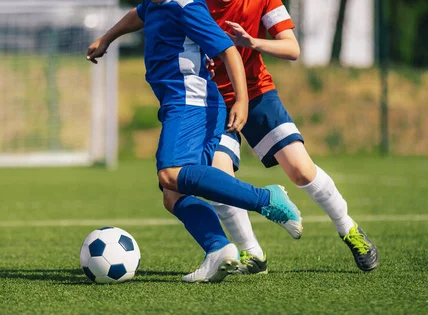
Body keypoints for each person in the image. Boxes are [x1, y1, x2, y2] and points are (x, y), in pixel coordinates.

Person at [149, 0, 378, 274]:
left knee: (300, 170)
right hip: (213, 99)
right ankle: (253, 253)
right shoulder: (193, 2)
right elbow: (150, 16)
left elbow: (292, 48)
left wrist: (252, 42)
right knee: (219, 175)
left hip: (257, 93)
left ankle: (348, 228)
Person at [87, 0, 302, 283]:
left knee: (170, 173)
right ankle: (218, 249)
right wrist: (106, 38)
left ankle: (266, 198)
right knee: (172, 194)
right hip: (181, 103)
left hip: (192, 103)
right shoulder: (156, 3)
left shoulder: (186, 6)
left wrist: (242, 99)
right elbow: (136, 16)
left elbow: (228, 51)